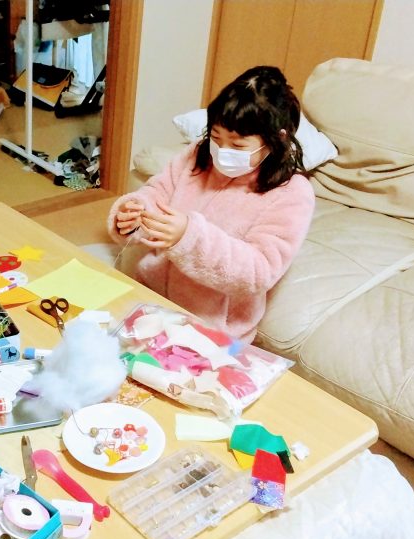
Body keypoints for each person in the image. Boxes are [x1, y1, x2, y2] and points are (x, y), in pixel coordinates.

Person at [106, 66, 315, 343]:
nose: (222, 152)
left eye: (238, 146)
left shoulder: (292, 193)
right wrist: (134, 212)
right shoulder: (198, 154)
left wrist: (189, 238)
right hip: (149, 300)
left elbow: (259, 271)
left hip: (209, 331)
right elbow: (158, 192)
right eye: (216, 138)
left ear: (278, 138)